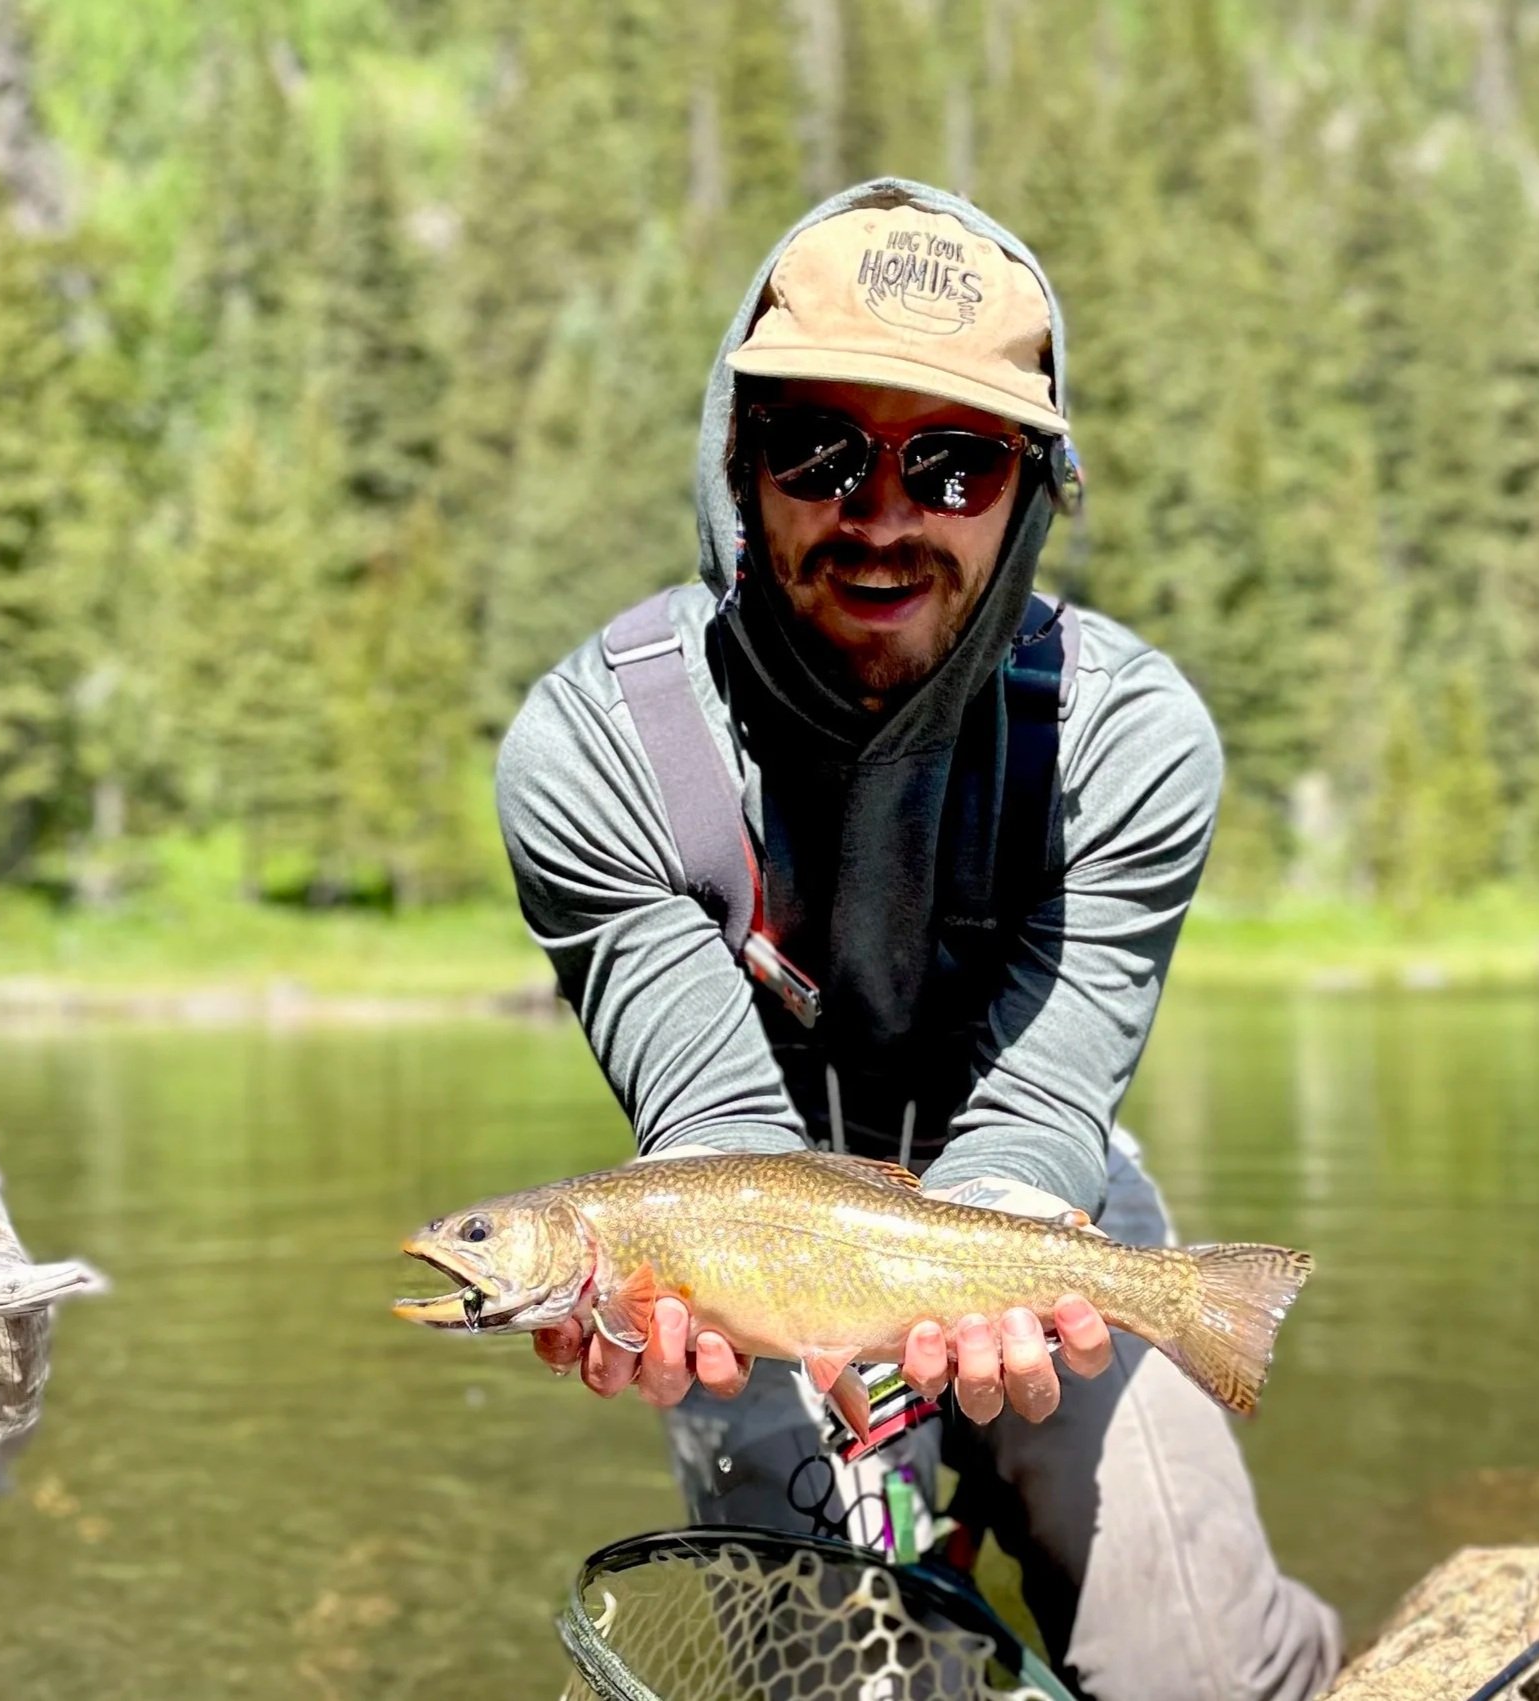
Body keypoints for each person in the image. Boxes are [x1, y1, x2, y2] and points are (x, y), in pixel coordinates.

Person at [496, 179, 1341, 1701]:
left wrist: (1003, 1258)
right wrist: (677, 1304)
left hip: (1042, 1212)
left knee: (1203, 1670)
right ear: (739, 463)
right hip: (749, 1246)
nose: (881, 514)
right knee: (841, 1684)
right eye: (820, 446)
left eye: (951, 461)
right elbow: (713, 1135)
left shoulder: (1129, 736)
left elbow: (1042, 1105)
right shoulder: (592, 750)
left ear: (1032, 486)